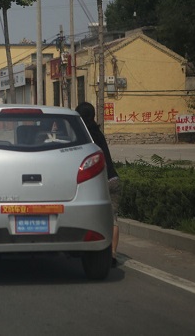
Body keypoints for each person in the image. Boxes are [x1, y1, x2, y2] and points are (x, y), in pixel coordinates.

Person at [76, 102, 120, 268]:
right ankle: (113, 255)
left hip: (98, 181)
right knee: (113, 219)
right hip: (114, 179)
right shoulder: (98, 133)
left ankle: (96, 250)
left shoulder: (83, 136)